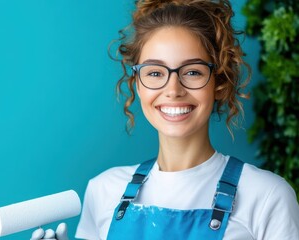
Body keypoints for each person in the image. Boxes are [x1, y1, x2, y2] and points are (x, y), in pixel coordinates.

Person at [32, 0, 299, 239]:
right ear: (138, 84)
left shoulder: (267, 196)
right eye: (155, 73)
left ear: (218, 83)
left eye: (192, 72)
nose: (173, 90)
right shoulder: (103, 191)